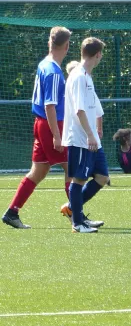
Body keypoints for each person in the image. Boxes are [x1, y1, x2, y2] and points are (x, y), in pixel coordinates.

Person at [2, 27, 72, 229]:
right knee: (71, 166)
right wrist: (57, 136)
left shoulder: (44, 64)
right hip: (51, 125)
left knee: (38, 171)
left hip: (40, 123)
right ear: (66, 46)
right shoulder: (54, 72)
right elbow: (50, 106)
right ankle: (77, 215)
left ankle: (12, 212)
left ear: (50, 43)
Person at [61, 37, 110, 233]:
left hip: (91, 139)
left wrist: (96, 131)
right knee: (79, 179)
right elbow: (79, 111)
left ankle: (73, 210)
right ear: (97, 54)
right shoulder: (79, 77)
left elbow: (94, 109)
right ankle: (78, 223)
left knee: (102, 177)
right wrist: (90, 134)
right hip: (82, 138)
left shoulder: (86, 76)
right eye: (101, 54)